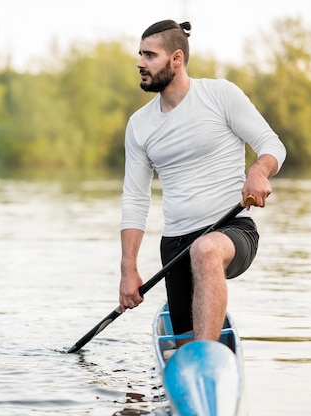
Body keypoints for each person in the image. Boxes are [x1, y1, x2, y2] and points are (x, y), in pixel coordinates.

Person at [119, 20, 286, 344]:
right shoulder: (139, 125)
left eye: (150, 55)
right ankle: (194, 356)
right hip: (176, 246)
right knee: (184, 342)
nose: (140, 63)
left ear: (176, 58)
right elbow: (135, 200)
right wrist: (128, 269)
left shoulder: (219, 95)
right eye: (140, 54)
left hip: (232, 228)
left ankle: (208, 358)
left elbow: (271, 144)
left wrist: (258, 172)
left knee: (206, 249)